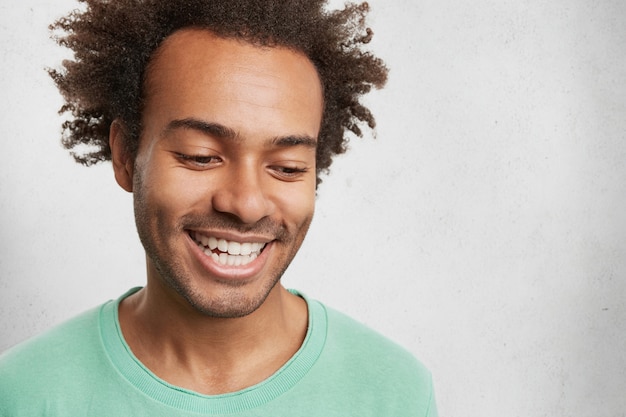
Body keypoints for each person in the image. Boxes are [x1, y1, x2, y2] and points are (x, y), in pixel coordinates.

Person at [0, 0, 437, 415]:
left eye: (287, 167)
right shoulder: (22, 393)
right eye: (201, 156)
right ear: (126, 157)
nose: (246, 204)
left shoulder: (395, 395)